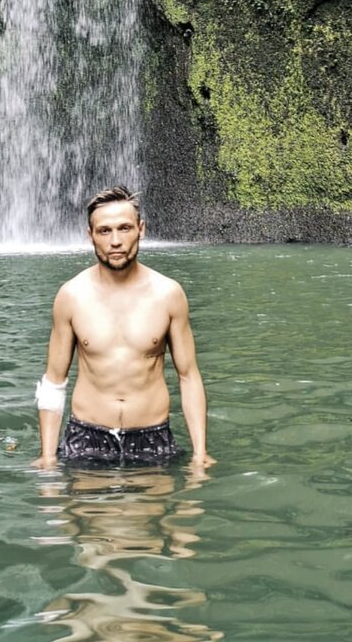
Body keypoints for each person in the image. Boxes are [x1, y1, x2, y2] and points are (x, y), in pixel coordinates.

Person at [32, 185, 215, 471]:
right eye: (104, 231)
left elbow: (189, 375)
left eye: (124, 228)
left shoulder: (168, 294)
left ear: (141, 230)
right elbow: (54, 381)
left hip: (151, 437)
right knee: (88, 515)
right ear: (90, 235)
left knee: (152, 516)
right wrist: (47, 456)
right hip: (87, 436)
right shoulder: (71, 296)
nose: (115, 240)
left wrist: (199, 452)